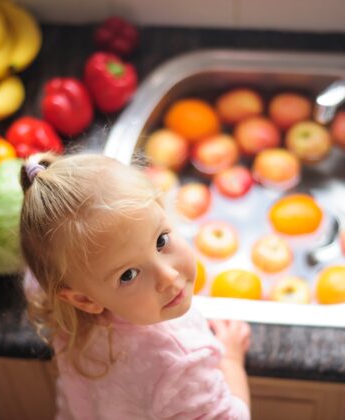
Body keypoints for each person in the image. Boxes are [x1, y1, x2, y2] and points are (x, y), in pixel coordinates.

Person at [19, 151, 252, 419]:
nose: (168, 277)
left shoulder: (54, 294)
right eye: (128, 274)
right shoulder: (181, 361)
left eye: (161, 241)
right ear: (83, 300)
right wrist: (232, 360)